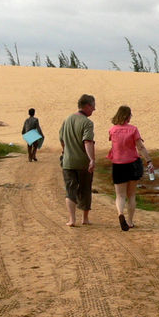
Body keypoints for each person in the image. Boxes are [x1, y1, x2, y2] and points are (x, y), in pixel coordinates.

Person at [107, 105, 154, 231]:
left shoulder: (112, 130)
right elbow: (140, 147)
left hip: (118, 164)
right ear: (128, 116)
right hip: (132, 163)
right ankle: (130, 221)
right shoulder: (133, 130)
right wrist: (149, 161)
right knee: (131, 195)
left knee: (120, 195)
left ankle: (120, 213)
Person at [59, 94, 96, 227]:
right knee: (85, 189)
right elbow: (87, 142)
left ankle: (72, 219)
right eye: (93, 106)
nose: (94, 109)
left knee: (70, 190)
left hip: (68, 162)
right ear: (86, 106)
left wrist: (65, 152)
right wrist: (91, 159)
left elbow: (62, 140)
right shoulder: (87, 122)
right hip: (83, 163)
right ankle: (85, 219)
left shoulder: (67, 119)